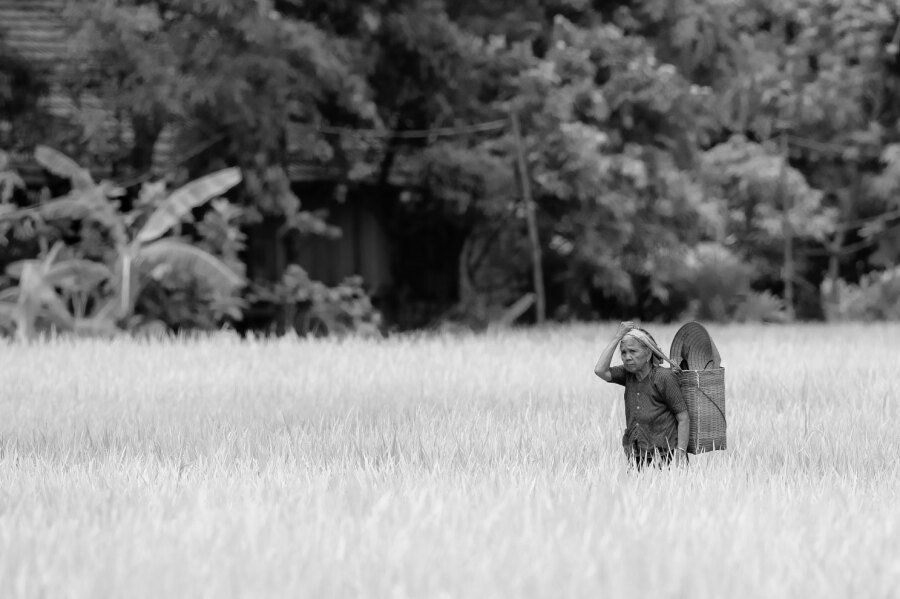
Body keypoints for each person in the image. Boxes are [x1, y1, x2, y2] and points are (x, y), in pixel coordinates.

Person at [594, 321, 690, 469]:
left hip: (666, 456)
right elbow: (600, 370)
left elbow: (683, 417)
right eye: (624, 352)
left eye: (633, 351)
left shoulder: (664, 377)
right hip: (637, 455)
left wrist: (681, 453)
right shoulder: (627, 374)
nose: (627, 357)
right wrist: (617, 337)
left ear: (648, 354)